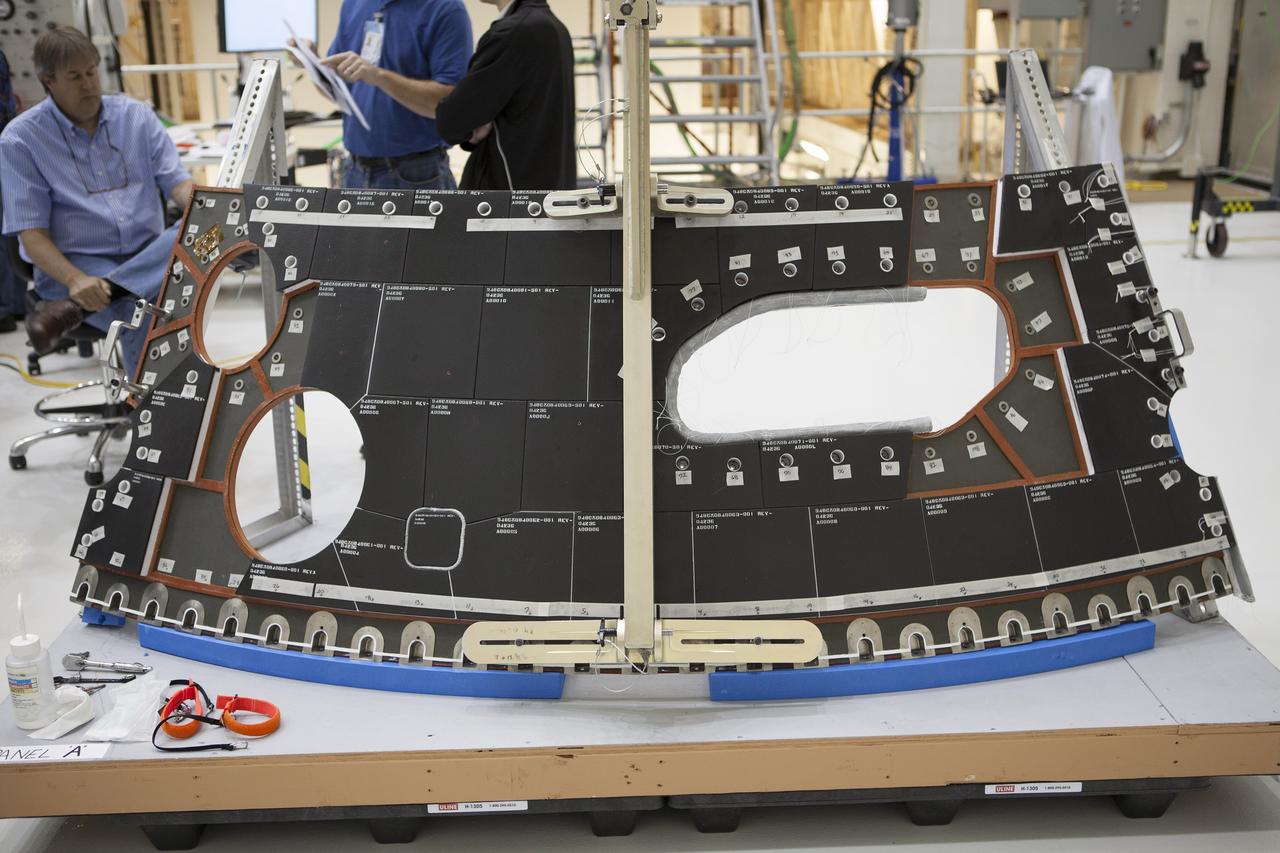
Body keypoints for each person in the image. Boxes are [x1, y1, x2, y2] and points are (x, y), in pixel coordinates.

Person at [0, 27, 192, 375]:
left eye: (92, 72)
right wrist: (75, 280)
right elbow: (31, 236)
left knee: (201, 229)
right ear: (48, 81)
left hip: (148, 252)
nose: (88, 85)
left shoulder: (136, 117)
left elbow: (178, 184)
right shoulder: (21, 140)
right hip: (76, 267)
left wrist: (208, 206)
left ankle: (104, 295)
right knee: (145, 313)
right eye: (74, 77)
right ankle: (151, 417)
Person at [320, 0, 473, 190]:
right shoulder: (354, 4)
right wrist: (313, 65)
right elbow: (338, 90)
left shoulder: (445, 9)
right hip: (354, 171)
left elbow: (451, 102)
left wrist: (379, 76)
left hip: (416, 174)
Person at [434, 0, 575, 190]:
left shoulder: (513, 33)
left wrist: (471, 129)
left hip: (509, 199)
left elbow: (451, 120)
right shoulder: (554, 28)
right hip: (545, 189)